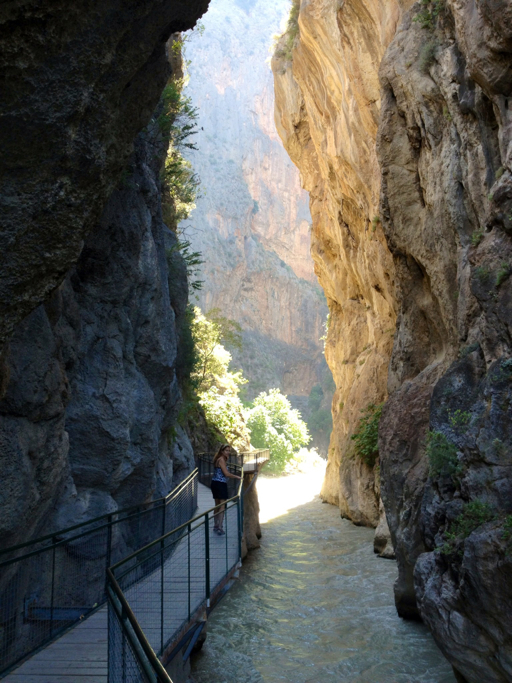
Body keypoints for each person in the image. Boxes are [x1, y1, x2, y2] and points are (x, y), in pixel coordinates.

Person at [211, 444, 241, 535]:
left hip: (215, 483)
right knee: (222, 506)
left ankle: (216, 525)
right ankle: (220, 526)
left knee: (217, 505)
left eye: (229, 451)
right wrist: (237, 477)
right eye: (226, 450)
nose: (228, 452)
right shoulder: (221, 460)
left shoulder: (218, 459)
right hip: (220, 484)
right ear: (222, 451)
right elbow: (226, 474)